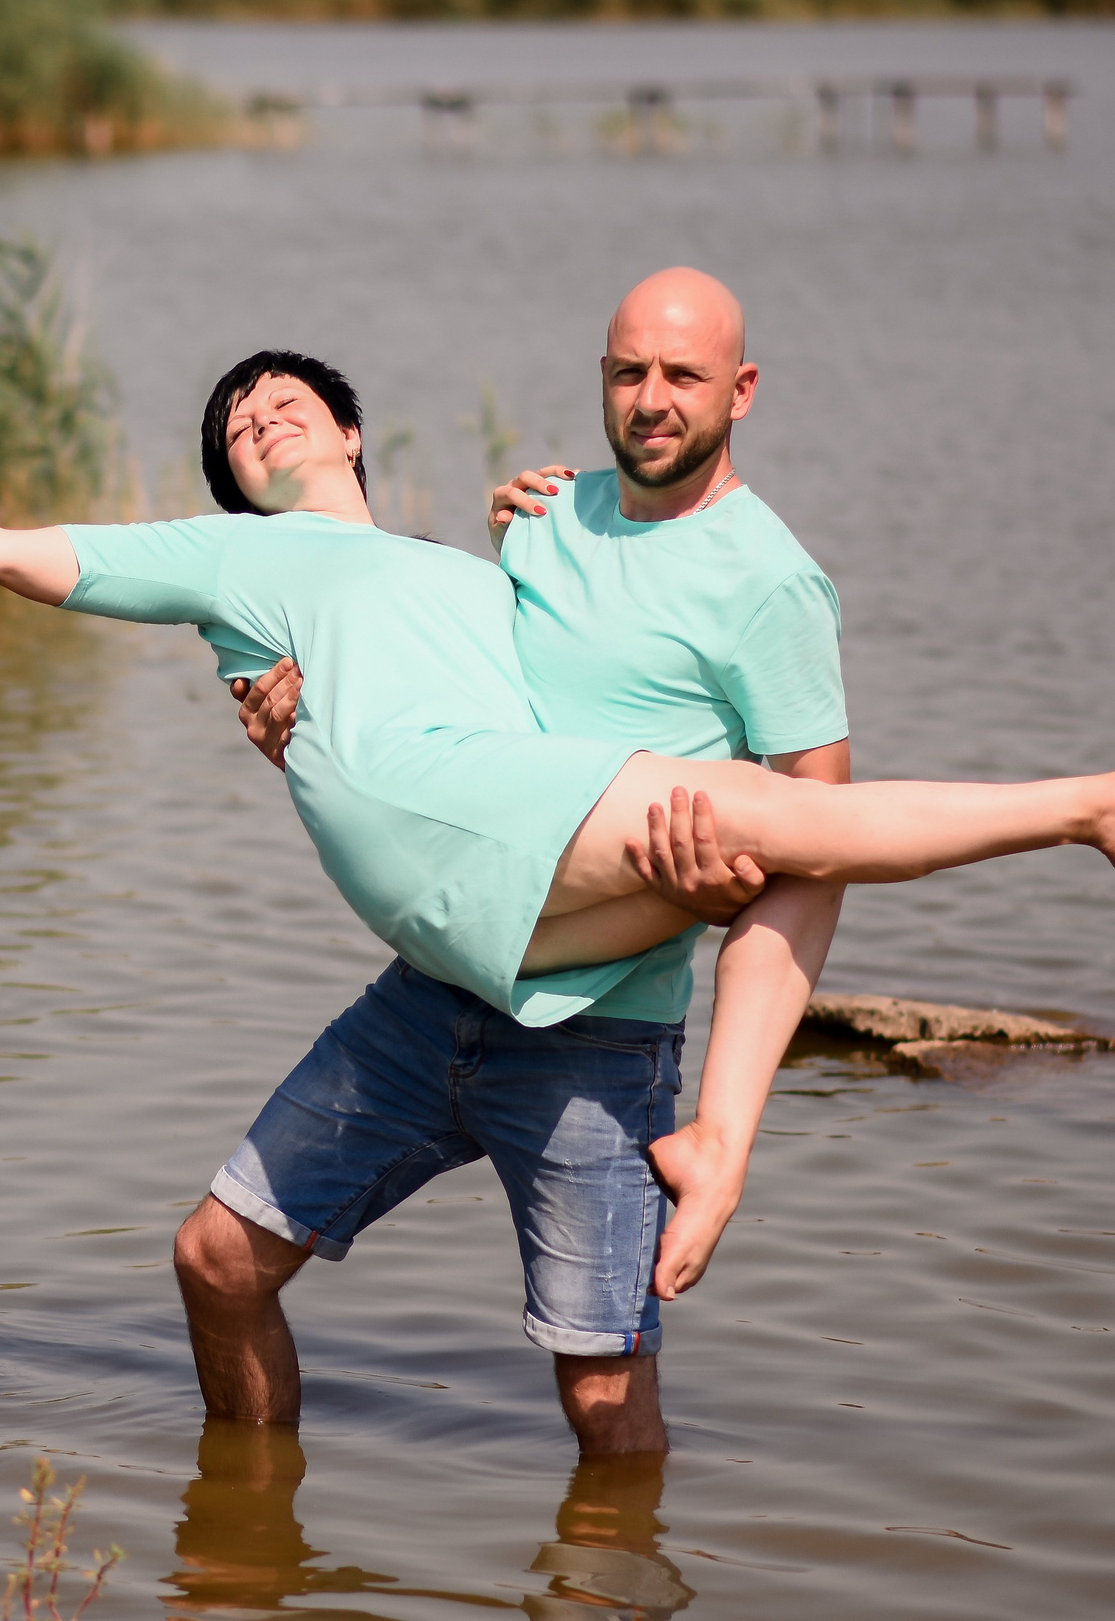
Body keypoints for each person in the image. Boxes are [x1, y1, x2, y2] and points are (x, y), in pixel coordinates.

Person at [0, 358, 1115, 1422]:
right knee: (214, 1259)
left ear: (354, 429)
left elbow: (629, 652)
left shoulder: (489, 569)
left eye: (284, 395)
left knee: (607, 1374)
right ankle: (255, 1517)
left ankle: (602, 1556)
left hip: (558, 950)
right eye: (232, 415)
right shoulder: (232, 567)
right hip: (438, 935)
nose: (255, 411)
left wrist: (566, 510)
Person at [201, 268, 850, 1453]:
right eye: (627, 373)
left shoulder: (772, 585)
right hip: (434, 990)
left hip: (600, 1028)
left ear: (741, 391)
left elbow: (822, 846)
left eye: (683, 376)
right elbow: (450, 734)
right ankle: (247, 1550)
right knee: (215, 1262)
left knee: (601, 1398)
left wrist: (725, 1112)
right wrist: (294, 740)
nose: (651, 399)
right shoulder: (544, 517)